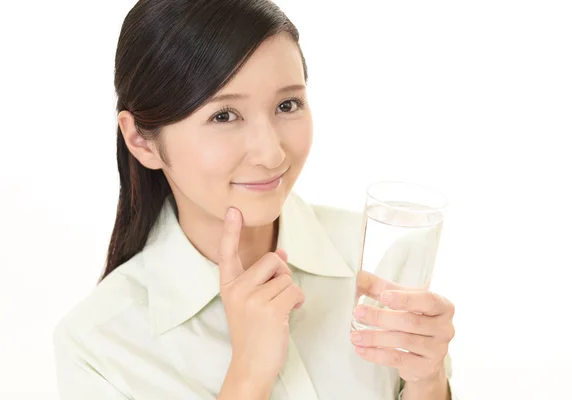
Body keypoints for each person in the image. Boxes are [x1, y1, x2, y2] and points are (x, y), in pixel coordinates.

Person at [53, 0, 457, 399]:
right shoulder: (97, 347)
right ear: (141, 140)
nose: (272, 154)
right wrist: (248, 375)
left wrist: (429, 381)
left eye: (287, 105)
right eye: (224, 115)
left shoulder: (375, 259)